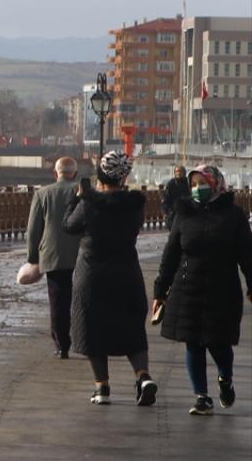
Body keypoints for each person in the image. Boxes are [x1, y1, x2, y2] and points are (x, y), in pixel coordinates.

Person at [151, 165, 252, 416]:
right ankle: (202, 397)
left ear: (216, 183)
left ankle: (225, 378)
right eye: (194, 185)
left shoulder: (234, 216)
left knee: (219, 344)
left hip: (223, 289)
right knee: (193, 343)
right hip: (188, 288)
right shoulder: (184, 214)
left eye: (203, 183)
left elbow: (247, 256)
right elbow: (170, 255)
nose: (198, 189)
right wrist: (160, 291)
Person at [62, 150, 157, 406]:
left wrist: (77, 198)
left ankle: (101, 387)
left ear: (101, 176)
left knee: (93, 327)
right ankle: (143, 376)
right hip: (127, 272)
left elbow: (69, 225)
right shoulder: (135, 206)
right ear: (124, 177)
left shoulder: (89, 204)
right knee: (132, 328)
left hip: (93, 275)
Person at [26, 156, 81, 358]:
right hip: (83, 252)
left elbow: (34, 229)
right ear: (75, 174)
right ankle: (84, 338)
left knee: (58, 300)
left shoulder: (43, 194)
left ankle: (62, 345)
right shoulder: (83, 192)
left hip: (53, 253)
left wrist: (33, 258)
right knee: (82, 298)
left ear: (55, 173)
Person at [161, 165, 189, 230]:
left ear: (184, 173)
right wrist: (166, 212)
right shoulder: (171, 184)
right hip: (174, 211)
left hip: (186, 211)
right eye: (177, 171)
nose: (178, 173)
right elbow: (166, 199)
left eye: (180, 171)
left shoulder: (188, 182)